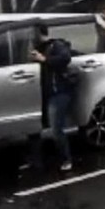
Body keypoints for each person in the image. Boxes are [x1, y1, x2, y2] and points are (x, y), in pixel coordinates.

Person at [30, 23, 74, 171]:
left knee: (56, 129)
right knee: (34, 129)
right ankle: (37, 161)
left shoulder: (55, 45)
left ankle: (66, 159)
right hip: (42, 94)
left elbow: (65, 58)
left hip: (58, 92)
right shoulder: (34, 49)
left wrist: (44, 59)